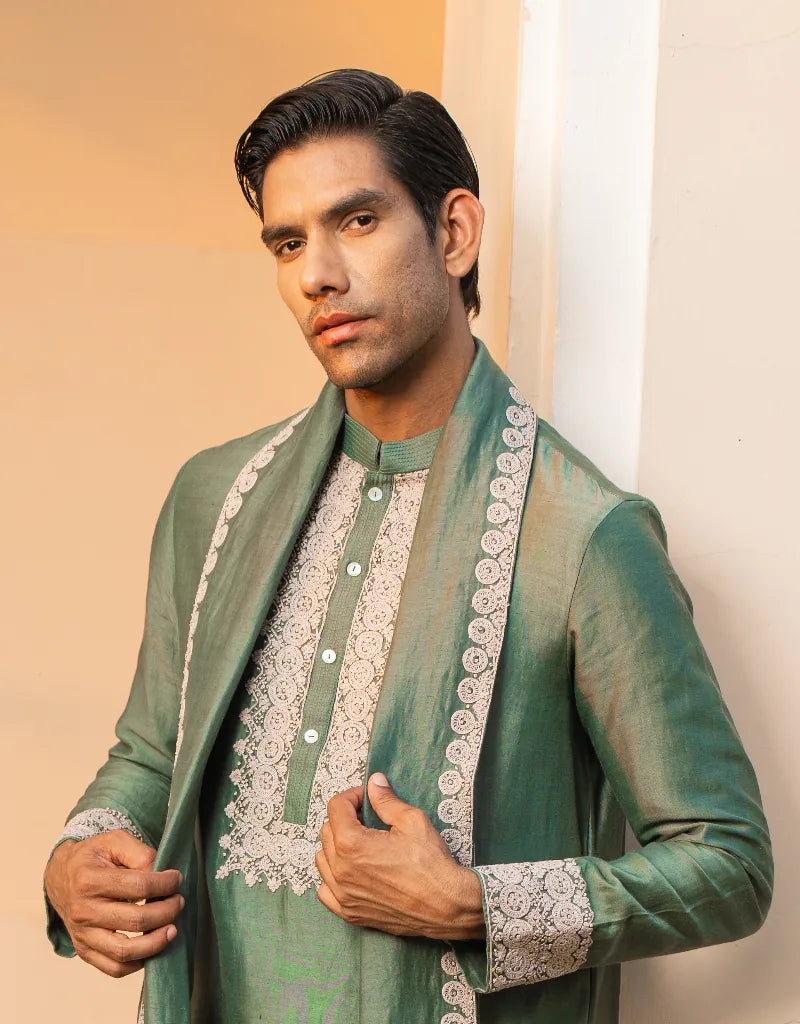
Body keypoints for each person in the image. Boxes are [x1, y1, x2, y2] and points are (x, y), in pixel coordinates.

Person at [43, 68, 773, 1024]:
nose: (317, 275)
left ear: (455, 232)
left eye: (357, 221)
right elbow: (152, 753)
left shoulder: (582, 534)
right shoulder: (214, 499)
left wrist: (476, 907)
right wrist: (79, 857)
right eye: (288, 243)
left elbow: (728, 862)